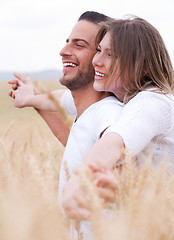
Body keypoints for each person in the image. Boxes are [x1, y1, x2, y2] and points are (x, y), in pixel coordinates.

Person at [8, 11, 123, 239]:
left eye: (79, 45)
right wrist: (33, 99)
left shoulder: (110, 117)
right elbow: (76, 147)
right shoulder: (91, 112)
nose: (63, 51)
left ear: (102, 58)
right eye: (67, 42)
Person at [62, 16, 174, 220]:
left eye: (111, 54)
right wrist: (33, 95)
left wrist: (80, 180)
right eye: (98, 50)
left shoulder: (153, 101)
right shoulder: (121, 98)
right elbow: (66, 100)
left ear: (145, 66)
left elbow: (116, 141)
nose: (97, 61)